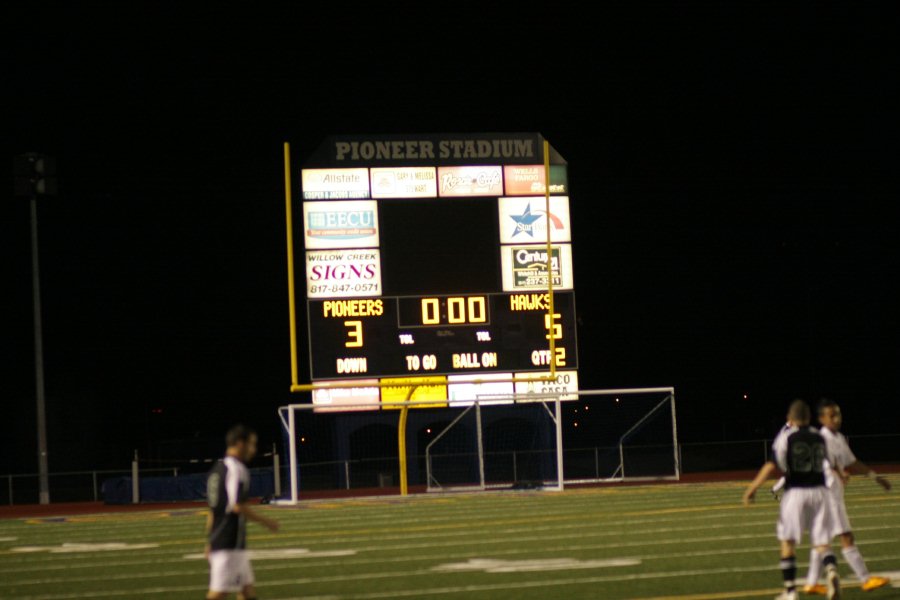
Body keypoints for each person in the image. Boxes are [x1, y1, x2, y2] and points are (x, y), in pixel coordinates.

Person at [744, 400, 839, 600]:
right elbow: (830, 463)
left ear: (791, 418)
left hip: (796, 492)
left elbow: (772, 466)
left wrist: (752, 488)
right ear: (809, 417)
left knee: (787, 542)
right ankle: (831, 569)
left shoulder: (786, 437)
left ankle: (790, 591)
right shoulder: (819, 436)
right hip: (820, 492)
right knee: (822, 541)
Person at [799, 399, 891, 594]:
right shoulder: (822, 438)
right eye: (832, 415)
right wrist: (838, 473)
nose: (837, 418)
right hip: (828, 494)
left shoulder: (838, 438)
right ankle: (865, 579)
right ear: (822, 419)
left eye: (838, 414)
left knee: (822, 539)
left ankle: (812, 582)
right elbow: (823, 461)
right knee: (846, 536)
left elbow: (853, 462)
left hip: (831, 493)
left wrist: (875, 477)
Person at [205, 425, 279, 600]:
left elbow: (213, 511)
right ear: (240, 443)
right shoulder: (236, 469)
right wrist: (266, 521)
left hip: (225, 541)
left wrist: (209, 541)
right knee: (218, 593)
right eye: (251, 444)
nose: (253, 450)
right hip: (229, 542)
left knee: (246, 591)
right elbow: (237, 505)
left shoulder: (217, 469)